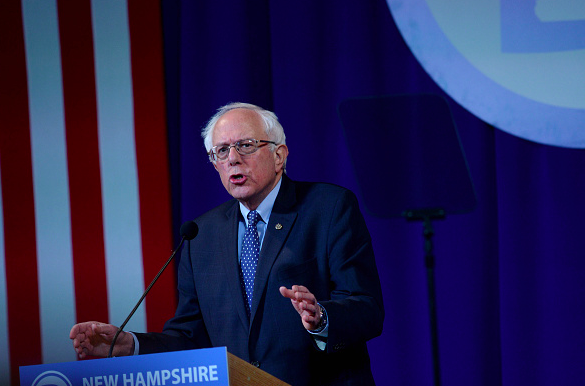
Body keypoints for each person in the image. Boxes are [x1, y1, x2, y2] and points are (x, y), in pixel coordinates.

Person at [70, 102, 384, 385]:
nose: (233, 159)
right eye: (221, 151)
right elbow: (190, 337)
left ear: (279, 155)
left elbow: (367, 308)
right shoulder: (200, 235)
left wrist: (321, 317)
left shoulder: (328, 208)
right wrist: (130, 344)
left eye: (246, 145)